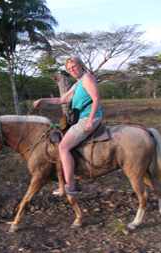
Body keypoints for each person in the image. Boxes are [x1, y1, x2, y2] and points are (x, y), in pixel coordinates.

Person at [33, 56, 103, 195]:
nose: (72, 70)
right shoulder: (78, 83)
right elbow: (62, 99)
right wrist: (43, 100)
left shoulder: (87, 78)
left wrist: (90, 120)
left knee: (63, 147)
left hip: (88, 117)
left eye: (74, 66)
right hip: (80, 118)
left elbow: (96, 99)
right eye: (69, 68)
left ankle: (70, 186)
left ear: (81, 65)